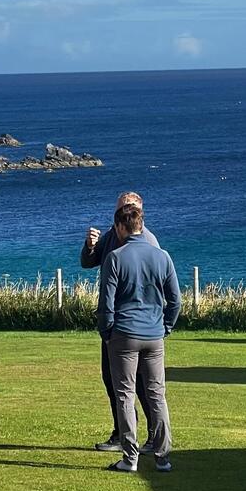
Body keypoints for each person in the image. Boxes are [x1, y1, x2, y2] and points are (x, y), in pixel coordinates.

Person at [100, 201, 181, 474]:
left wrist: (107, 332)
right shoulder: (162, 256)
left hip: (124, 334)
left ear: (120, 228)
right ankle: (162, 457)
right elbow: (175, 301)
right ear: (141, 225)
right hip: (154, 335)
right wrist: (166, 326)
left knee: (124, 395)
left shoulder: (115, 258)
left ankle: (130, 458)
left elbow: (106, 304)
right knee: (157, 395)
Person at [80, 191, 159, 450]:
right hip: (114, 323)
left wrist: (162, 324)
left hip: (137, 324)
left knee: (143, 385)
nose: (123, 214)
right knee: (112, 380)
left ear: (139, 213)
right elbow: (88, 262)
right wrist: (90, 246)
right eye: (120, 210)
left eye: (128, 209)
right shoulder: (111, 237)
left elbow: (159, 286)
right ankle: (122, 433)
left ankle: (151, 437)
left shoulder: (149, 241)